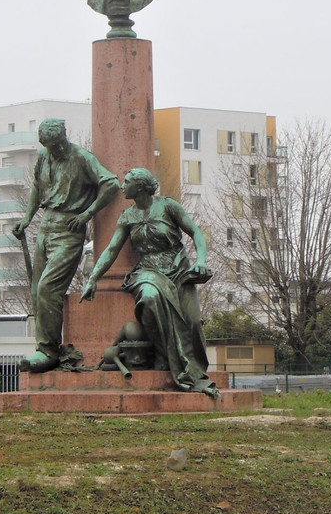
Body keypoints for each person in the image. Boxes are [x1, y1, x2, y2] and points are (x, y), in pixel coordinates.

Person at [80, 168, 218, 398]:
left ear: (140, 187)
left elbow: (196, 233)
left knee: (193, 320)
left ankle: (192, 368)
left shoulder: (167, 206)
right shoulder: (127, 216)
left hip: (177, 269)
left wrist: (201, 261)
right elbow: (112, 249)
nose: (122, 187)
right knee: (149, 296)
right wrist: (93, 278)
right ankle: (166, 355)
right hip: (148, 271)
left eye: (127, 182)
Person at [13, 119, 119, 372]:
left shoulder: (81, 157)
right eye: (51, 146)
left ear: (65, 137)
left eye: (59, 144)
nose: (56, 150)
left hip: (69, 229)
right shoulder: (44, 156)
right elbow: (38, 188)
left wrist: (87, 213)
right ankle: (44, 349)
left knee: (48, 288)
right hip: (45, 226)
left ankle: (49, 351)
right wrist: (27, 218)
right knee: (37, 290)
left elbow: (112, 183)